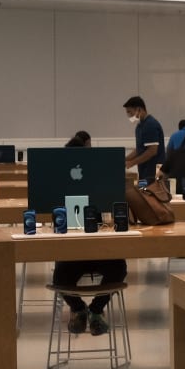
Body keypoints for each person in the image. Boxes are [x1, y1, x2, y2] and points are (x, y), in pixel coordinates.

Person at [53, 132, 126, 335]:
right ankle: (79, 309)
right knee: (59, 278)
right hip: (72, 249)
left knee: (119, 268)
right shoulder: (59, 183)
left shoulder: (102, 180)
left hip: (100, 247)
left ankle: (95, 310)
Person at [123, 96, 166, 183]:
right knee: (142, 189)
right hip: (144, 170)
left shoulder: (150, 125)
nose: (129, 116)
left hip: (153, 172)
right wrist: (125, 159)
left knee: (149, 191)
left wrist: (132, 163)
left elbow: (152, 151)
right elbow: (139, 149)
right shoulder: (139, 126)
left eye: (130, 112)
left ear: (138, 109)